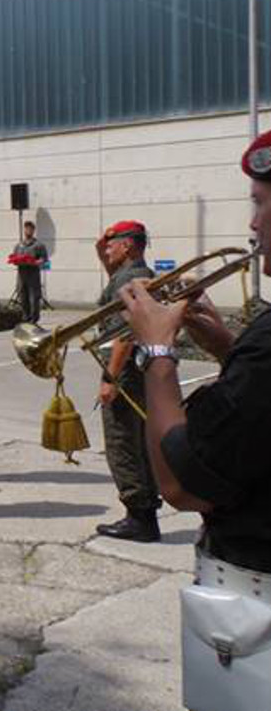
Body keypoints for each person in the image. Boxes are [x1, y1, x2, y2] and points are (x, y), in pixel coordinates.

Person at [118, 131, 271, 709]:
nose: (253, 225)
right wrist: (229, 348)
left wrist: (159, 354)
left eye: (259, 201)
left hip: (255, 606)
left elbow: (182, 482)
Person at [94, 220, 161, 543]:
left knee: (122, 441)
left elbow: (126, 332)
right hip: (132, 368)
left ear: (129, 246)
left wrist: (110, 377)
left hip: (124, 369)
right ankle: (145, 511)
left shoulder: (132, 278)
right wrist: (103, 246)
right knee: (138, 440)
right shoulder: (129, 274)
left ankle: (139, 516)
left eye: (112, 243)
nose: (106, 248)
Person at [13, 221, 48, 324]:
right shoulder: (19, 245)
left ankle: (34, 319)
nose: (28, 230)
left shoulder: (39, 245)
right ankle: (25, 317)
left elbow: (44, 259)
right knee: (22, 297)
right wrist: (16, 261)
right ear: (24, 230)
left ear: (33, 230)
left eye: (30, 228)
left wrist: (35, 262)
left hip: (33, 275)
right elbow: (14, 257)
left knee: (34, 298)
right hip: (21, 275)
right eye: (26, 228)